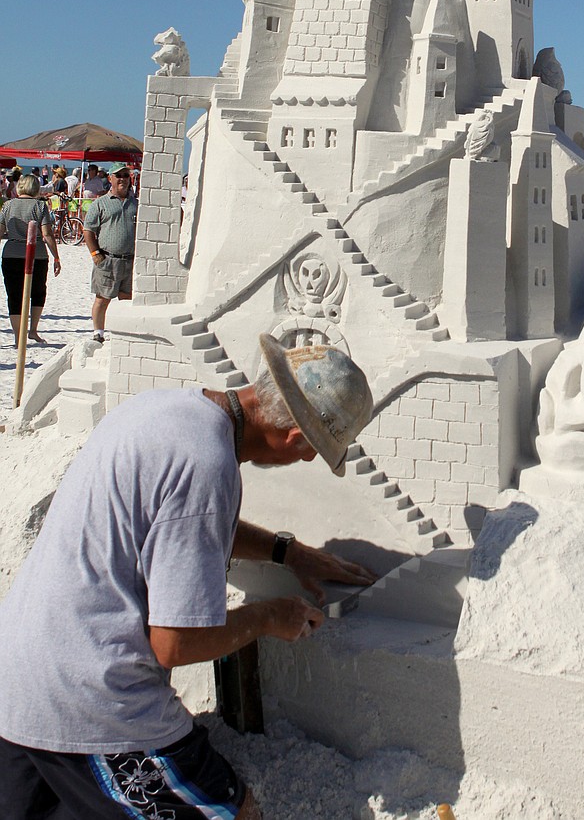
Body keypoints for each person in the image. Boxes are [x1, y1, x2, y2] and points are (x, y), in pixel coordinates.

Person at [0, 338, 376, 819]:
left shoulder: (173, 410)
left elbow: (178, 524)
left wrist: (287, 553)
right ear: (295, 439)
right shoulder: (208, 465)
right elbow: (174, 644)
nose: (305, 462)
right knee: (236, 812)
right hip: (90, 697)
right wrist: (268, 616)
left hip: (20, 679)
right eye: (312, 453)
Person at [0, 172, 61, 345]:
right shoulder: (40, 206)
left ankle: (18, 337)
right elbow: (47, 234)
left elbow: (0, 230)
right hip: (37, 254)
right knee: (38, 292)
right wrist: (56, 257)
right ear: (35, 188)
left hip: (11, 252)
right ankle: (33, 330)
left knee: (14, 294)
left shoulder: (8, 205)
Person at [83, 164, 138, 343]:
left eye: (125, 175)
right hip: (107, 259)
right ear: (110, 179)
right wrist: (95, 254)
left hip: (130, 261)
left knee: (127, 299)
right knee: (102, 298)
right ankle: (98, 333)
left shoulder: (136, 204)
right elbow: (88, 230)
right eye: (118, 175)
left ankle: (123, 333)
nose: (122, 178)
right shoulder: (100, 203)